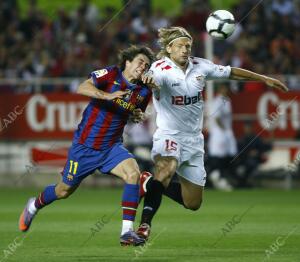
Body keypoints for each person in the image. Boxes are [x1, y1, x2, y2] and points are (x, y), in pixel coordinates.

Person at [136, 26, 288, 240]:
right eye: (180, 45)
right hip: (169, 135)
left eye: (188, 45)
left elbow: (231, 72)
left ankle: (148, 182)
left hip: (194, 140)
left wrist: (263, 78)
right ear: (169, 48)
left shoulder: (201, 66)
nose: (185, 49)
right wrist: (147, 80)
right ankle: (144, 226)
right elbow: (149, 77)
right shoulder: (160, 69)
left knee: (193, 203)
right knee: (167, 168)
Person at [18, 45, 156, 246]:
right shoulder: (110, 74)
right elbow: (82, 87)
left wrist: (136, 114)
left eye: (146, 64)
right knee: (63, 191)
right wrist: (107, 95)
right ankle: (35, 204)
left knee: (133, 173)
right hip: (85, 147)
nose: (143, 66)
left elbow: (135, 112)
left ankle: (126, 231)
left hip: (111, 147)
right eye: (140, 61)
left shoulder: (143, 91)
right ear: (128, 61)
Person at [207, 83, 237, 191]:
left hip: (226, 132)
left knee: (229, 155)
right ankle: (216, 177)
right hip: (219, 133)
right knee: (218, 156)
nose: (226, 90)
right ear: (221, 88)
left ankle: (219, 177)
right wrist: (224, 129)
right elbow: (216, 117)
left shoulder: (226, 100)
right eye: (225, 88)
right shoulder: (218, 101)